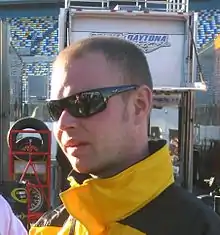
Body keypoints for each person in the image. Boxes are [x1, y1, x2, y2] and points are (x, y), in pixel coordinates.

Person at [30, 37, 220, 235]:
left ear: (139, 105)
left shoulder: (200, 229)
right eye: (55, 109)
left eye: (84, 102)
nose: (63, 123)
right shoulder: (48, 228)